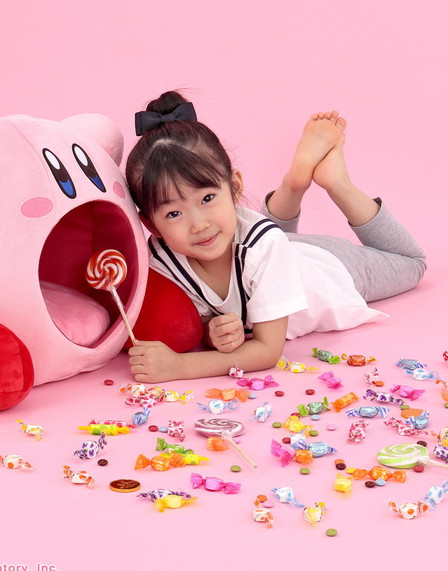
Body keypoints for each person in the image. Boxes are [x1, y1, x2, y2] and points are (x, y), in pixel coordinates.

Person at [125, 91, 426, 383]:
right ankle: (294, 185)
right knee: (260, 244)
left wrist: (179, 366)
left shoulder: (265, 247)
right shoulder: (162, 261)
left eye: (207, 199)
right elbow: (199, 311)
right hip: (266, 251)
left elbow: (267, 351)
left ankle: (336, 183)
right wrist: (210, 331)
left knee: (412, 262)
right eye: (174, 214)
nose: (198, 225)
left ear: (234, 187)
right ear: (150, 224)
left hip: (329, 270)